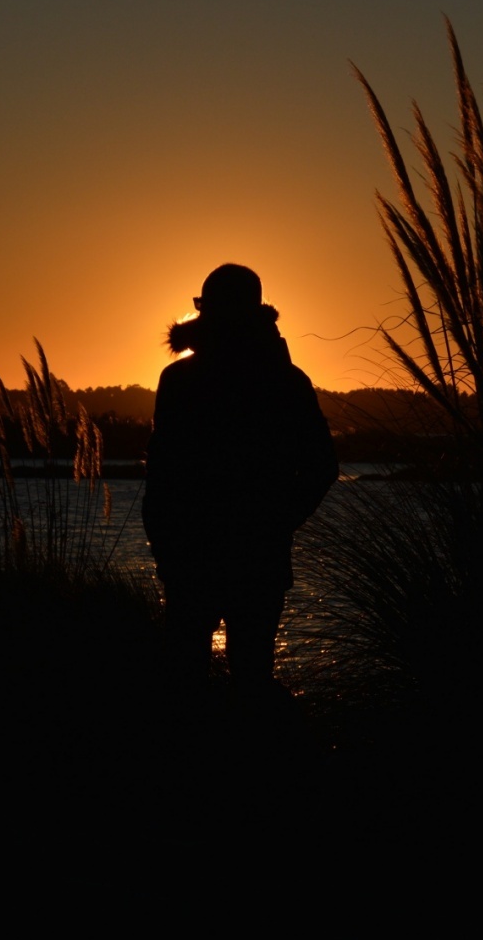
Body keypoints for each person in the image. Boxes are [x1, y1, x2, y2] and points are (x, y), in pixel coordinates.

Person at [143, 264, 338, 692]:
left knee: (188, 678)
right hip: (248, 558)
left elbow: (161, 476)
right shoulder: (285, 380)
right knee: (249, 678)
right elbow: (323, 466)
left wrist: (166, 543)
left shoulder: (180, 380)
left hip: (198, 556)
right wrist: (277, 520)